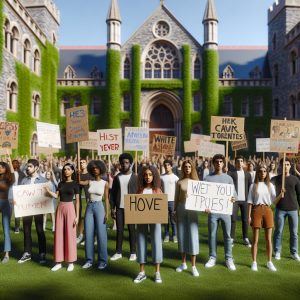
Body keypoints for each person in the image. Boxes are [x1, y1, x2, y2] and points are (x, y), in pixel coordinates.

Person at [204, 154, 237, 271]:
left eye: (220, 162)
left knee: (227, 236)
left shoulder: (228, 178)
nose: (218, 163)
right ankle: (212, 257)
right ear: (213, 163)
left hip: (225, 212)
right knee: (212, 235)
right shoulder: (207, 178)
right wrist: (205, 206)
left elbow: (234, 194)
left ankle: (229, 258)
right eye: (216, 161)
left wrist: (233, 198)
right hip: (212, 212)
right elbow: (204, 196)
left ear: (223, 163)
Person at [47, 163, 80, 272]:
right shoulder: (60, 183)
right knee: (59, 235)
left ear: (72, 171)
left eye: (68, 169)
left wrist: (77, 216)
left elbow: (78, 201)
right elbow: (56, 196)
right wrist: (48, 191)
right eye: (64, 169)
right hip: (60, 208)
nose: (66, 171)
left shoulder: (75, 184)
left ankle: (70, 262)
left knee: (70, 235)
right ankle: (58, 262)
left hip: (70, 208)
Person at [133, 165, 163, 284]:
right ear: (142, 176)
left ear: (154, 176)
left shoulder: (158, 190)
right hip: (141, 220)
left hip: (155, 220)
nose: (148, 177)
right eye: (145, 175)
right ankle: (142, 272)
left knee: (156, 242)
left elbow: (162, 206)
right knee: (140, 242)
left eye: (150, 175)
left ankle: (157, 272)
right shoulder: (139, 190)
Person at [247, 163, 279, 272]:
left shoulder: (270, 185)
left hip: (268, 210)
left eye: (265, 171)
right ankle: (254, 262)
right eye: (260, 171)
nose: (263, 173)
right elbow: (250, 202)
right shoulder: (253, 185)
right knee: (255, 239)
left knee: (268, 239)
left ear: (267, 173)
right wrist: (248, 216)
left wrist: (281, 195)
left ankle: (269, 262)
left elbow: (274, 201)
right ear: (257, 172)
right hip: (256, 210)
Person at [17, 159, 47, 264]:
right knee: (26, 230)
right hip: (27, 209)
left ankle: (42, 253)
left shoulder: (43, 180)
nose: (27, 168)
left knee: (40, 230)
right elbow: (19, 194)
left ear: (36, 167)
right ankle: (27, 253)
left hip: (38, 209)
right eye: (27, 166)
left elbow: (47, 196)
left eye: (30, 166)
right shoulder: (24, 180)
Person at [174, 159, 200, 277]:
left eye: (189, 166)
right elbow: (176, 198)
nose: (187, 168)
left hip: (193, 210)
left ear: (192, 168)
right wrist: (174, 211)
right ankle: (183, 263)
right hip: (181, 208)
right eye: (185, 166)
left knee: (193, 235)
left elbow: (201, 198)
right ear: (183, 168)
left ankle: (193, 266)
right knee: (182, 235)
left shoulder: (197, 182)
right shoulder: (179, 182)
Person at [82, 160, 109, 270]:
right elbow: (78, 181)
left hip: (99, 207)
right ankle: (89, 260)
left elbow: (106, 198)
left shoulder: (105, 183)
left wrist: (107, 213)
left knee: (101, 234)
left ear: (101, 169)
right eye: (93, 168)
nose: (95, 169)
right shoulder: (90, 182)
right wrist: (78, 172)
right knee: (88, 233)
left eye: (97, 167)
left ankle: (103, 261)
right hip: (89, 207)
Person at [272, 158, 300, 261]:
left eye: (287, 164)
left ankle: (294, 252)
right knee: (278, 231)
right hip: (280, 209)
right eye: (283, 164)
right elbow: (266, 181)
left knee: (294, 232)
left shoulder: (295, 179)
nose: (286, 166)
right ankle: (277, 251)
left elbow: (299, 195)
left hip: (293, 209)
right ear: (280, 166)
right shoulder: (276, 179)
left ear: (290, 166)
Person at [110, 153, 137, 261]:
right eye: (122, 163)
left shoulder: (135, 177)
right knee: (119, 230)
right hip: (120, 208)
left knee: (132, 230)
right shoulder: (117, 177)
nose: (124, 164)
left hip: (132, 207)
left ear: (130, 163)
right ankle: (118, 252)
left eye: (126, 162)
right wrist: (112, 208)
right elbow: (112, 194)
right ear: (120, 164)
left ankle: (133, 252)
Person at [228, 156, 252, 247]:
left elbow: (250, 187)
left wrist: (250, 200)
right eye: (238, 161)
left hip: (245, 200)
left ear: (243, 163)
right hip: (235, 200)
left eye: (241, 161)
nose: (239, 162)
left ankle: (245, 237)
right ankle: (231, 238)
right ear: (235, 163)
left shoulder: (247, 174)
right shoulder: (231, 173)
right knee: (233, 219)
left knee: (245, 220)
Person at [160, 159, 179, 243]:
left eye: (168, 165)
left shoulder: (175, 178)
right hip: (164, 200)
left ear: (171, 166)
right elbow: (159, 188)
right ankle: (167, 235)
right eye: (165, 165)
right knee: (165, 220)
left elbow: (178, 190)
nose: (166, 166)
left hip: (173, 201)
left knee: (173, 220)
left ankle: (175, 235)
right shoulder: (161, 177)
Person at [0, 160, 15, 263]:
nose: (0, 168)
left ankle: (6, 254)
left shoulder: (9, 178)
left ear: (6, 168)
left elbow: (4, 187)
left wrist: (10, 161)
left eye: (2, 167)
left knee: (6, 229)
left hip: (6, 204)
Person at [77, 158, 92, 244]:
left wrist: (79, 180)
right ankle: (81, 235)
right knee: (79, 216)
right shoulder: (78, 174)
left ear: (86, 164)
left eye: (83, 162)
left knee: (88, 217)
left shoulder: (89, 174)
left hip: (90, 197)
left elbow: (86, 182)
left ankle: (90, 237)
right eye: (80, 163)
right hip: (79, 198)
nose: (82, 164)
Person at [11, 159, 25, 233]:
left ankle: (17, 227)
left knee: (17, 211)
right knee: (9, 211)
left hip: (19, 195)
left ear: (18, 165)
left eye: (16, 163)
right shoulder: (10, 173)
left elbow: (24, 183)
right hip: (10, 194)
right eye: (13, 163)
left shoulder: (22, 174)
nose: (14, 165)